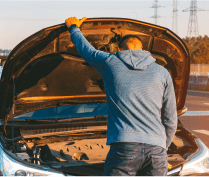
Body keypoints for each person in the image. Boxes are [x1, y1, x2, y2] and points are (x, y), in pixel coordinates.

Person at [65, 17, 178, 177]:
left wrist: (74, 28)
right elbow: (171, 120)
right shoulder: (162, 72)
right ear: (142, 49)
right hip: (157, 149)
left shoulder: (110, 63)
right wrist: (162, 147)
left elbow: (86, 50)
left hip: (125, 147)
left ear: (119, 48)